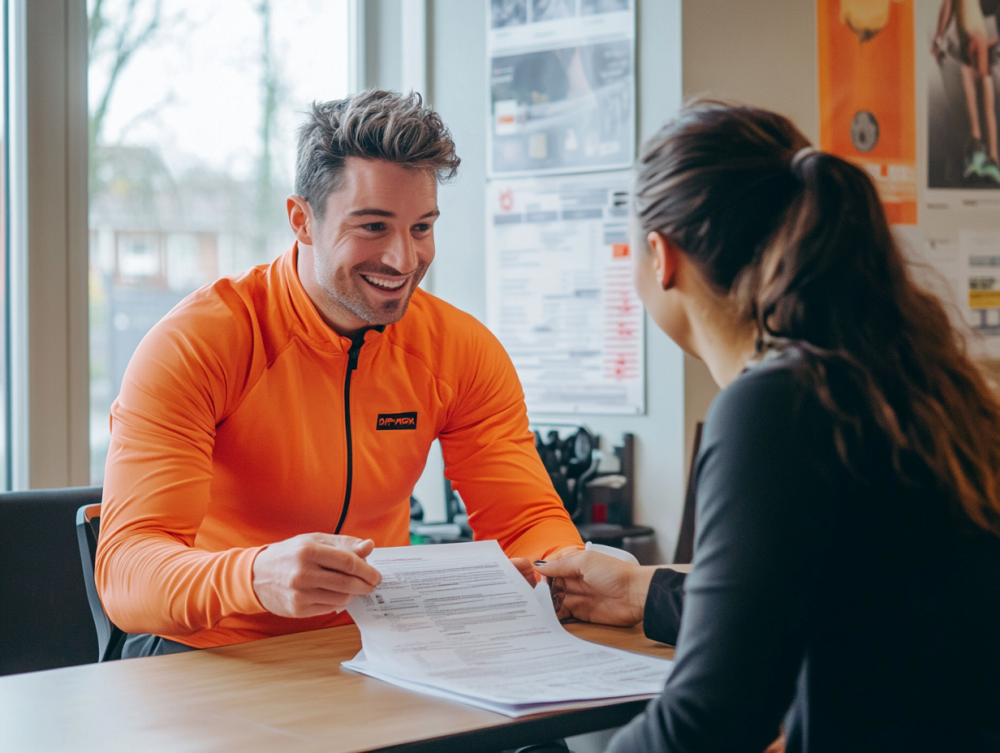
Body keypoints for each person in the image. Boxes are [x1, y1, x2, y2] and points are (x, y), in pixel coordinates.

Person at [535, 103, 1000, 752]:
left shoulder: (775, 403)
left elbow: (712, 719)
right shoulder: (904, 375)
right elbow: (834, 594)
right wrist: (647, 591)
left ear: (660, 257)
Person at [96, 90, 583, 658]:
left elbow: (525, 519)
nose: (404, 260)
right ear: (302, 220)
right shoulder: (199, 344)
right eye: (373, 226)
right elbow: (127, 574)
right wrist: (253, 576)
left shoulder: (460, 350)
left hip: (379, 646)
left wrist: (559, 569)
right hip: (216, 649)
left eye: (421, 228)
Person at [932, 0, 1000, 184]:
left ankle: (990, 157)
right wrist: (939, 38)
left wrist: (938, 38)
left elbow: (947, 6)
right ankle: (982, 153)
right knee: (976, 100)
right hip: (970, 39)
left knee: (983, 101)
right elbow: (948, 6)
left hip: (975, 37)